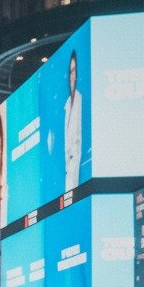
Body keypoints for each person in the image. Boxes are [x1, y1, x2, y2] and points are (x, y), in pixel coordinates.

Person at [64, 49, 83, 194]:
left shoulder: (79, 99)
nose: (72, 75)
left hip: (75, 160)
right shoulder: (67, 103)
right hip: (68, 163)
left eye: (74, 70)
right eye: (70, 71)